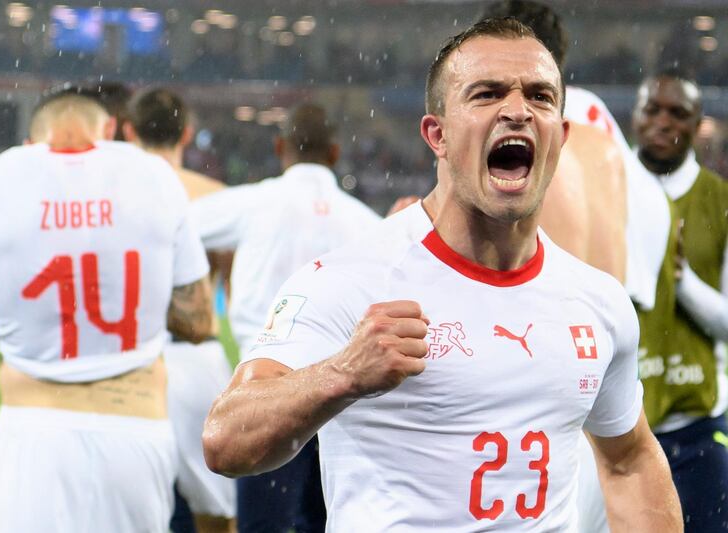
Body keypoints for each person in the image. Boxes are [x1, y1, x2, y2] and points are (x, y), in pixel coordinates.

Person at [203, 18, 682, 531]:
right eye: (487, 94)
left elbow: (629, 460)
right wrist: (343, 374)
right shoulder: (348, 281)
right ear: (438, 135)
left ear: (560, 138)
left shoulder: (599, 302)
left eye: (541, 96)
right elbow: (226, 441)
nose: (517, 110)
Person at [0, 84, 214, 532]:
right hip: (135, 428)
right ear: (109, 129)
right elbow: (198, 319)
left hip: (34, 430)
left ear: (32, 140)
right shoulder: (154, 176)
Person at [477, 4, 681, 531]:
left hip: (528, 425)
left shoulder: (509, 148)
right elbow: (638, 297)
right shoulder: (616, 156)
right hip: (610, 417)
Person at [193, 102, 381, 532]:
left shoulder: (257, 202)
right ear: (335, 154)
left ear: (280, 148)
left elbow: (180, 226)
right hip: (341, 400)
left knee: (264, 527)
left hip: (268, 395)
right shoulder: (366, 224)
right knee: (328, 523)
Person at [124, 87, 236, 533]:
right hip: (196, 357)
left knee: (129, 504)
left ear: (129, 130)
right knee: (216, 509)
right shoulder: (217, 196)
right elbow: (230, 284)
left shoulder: (115, 195)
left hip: (133, 354)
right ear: (186, 133)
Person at [633, 69, 728, 533]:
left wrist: (682, 279)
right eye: (652, 109)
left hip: (697, 432)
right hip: (619, 430)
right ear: (634, 116)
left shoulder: (721, 200)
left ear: (697, 124)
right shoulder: (605, 194)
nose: (663, 121)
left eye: (678, 113)